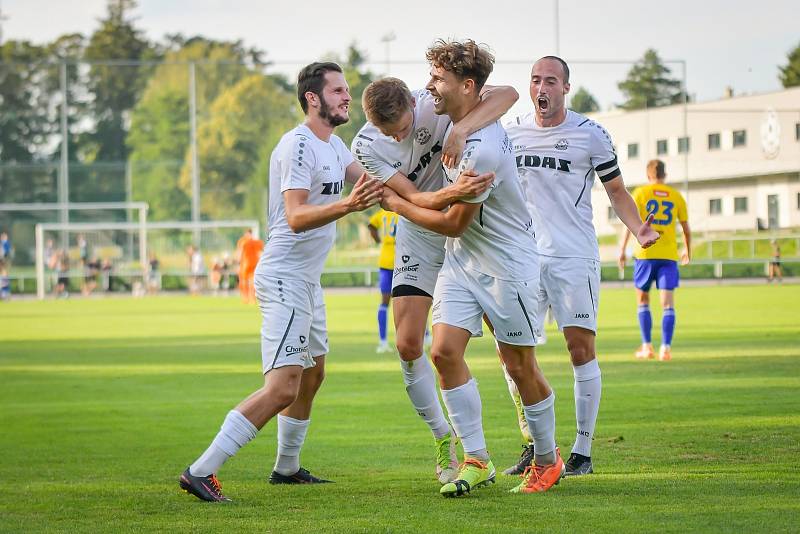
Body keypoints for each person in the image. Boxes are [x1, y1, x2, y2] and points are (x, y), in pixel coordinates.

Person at [179, 61, 383, 502]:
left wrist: (435, 193)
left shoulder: (336, 145)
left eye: (347, 90)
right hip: (284, 277)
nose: (348, 97)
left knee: (314, 373)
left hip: (307, 281)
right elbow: (295, 217)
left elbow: (375, 185)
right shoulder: (298, 146)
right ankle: (201, 470)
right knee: (283, 386)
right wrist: (348, 207)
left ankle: (286, 467)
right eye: (338, 91)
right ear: (313, 99)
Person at [382, 39, 565, 496]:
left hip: (508, 265)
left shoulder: (481, 150)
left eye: (438, 80)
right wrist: (458, 126)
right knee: (443, 352)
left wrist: (395, 204)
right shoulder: (456, 113)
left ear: (466, 87)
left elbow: (452, 222)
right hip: (462, 263)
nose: (429, 88)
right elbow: (501, 93)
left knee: (520, 365)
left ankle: (547, 460)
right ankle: (477, 459)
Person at [354, 74, 516, 484]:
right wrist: (450, 193)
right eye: (392, 134)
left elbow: (509, 94)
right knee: (408, 344)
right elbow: (409, 197)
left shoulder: (432, 99)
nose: (401, 137)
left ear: (413, 101)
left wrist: (461, 128)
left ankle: (530, 432)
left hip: (471, 230)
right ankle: (444, 437)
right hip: (420, 232)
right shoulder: (365, 144)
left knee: (508, 336)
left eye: (406, 128)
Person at [504, 56, 660, 478]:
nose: (542, 87)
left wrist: (638, 229)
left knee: (579, 350)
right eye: (535, 80)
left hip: (573, 256)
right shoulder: (510, 131)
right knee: (513, 355)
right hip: (522, 256)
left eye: (550, 81)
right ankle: (536, 446)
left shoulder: (591, 135)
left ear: (565, 88)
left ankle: (582, 453)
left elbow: (617, 191)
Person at [619, 159, 690, 362]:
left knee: (642, 300)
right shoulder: (676, 196)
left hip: (645, 254)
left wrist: (622, 250)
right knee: (667, 304)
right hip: (668, 256)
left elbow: (628, 222)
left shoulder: (641, 193)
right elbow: (685, 227)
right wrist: (687, 250)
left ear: (649, 175)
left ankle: (647, 346)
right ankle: (665, 349)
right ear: (664, 175)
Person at [367, 208, 399, 353]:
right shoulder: (403, 211)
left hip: (385, 259)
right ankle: (425, 336)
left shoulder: (382, 213)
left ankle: (383, 341)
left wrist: (379, 242)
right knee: (411, 299)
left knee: (384, 302)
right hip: (402, 258)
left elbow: (371, 225)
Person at [239, 230, 264, 303]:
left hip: (245, 264)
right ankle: (252, 298)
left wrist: (238, 262)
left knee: (244, 280)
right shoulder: (257, 242)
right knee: (252, 281)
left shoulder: (243, 241)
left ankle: (245, 297)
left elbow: (240, 252)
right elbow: (261, 252)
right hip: (255, 263)